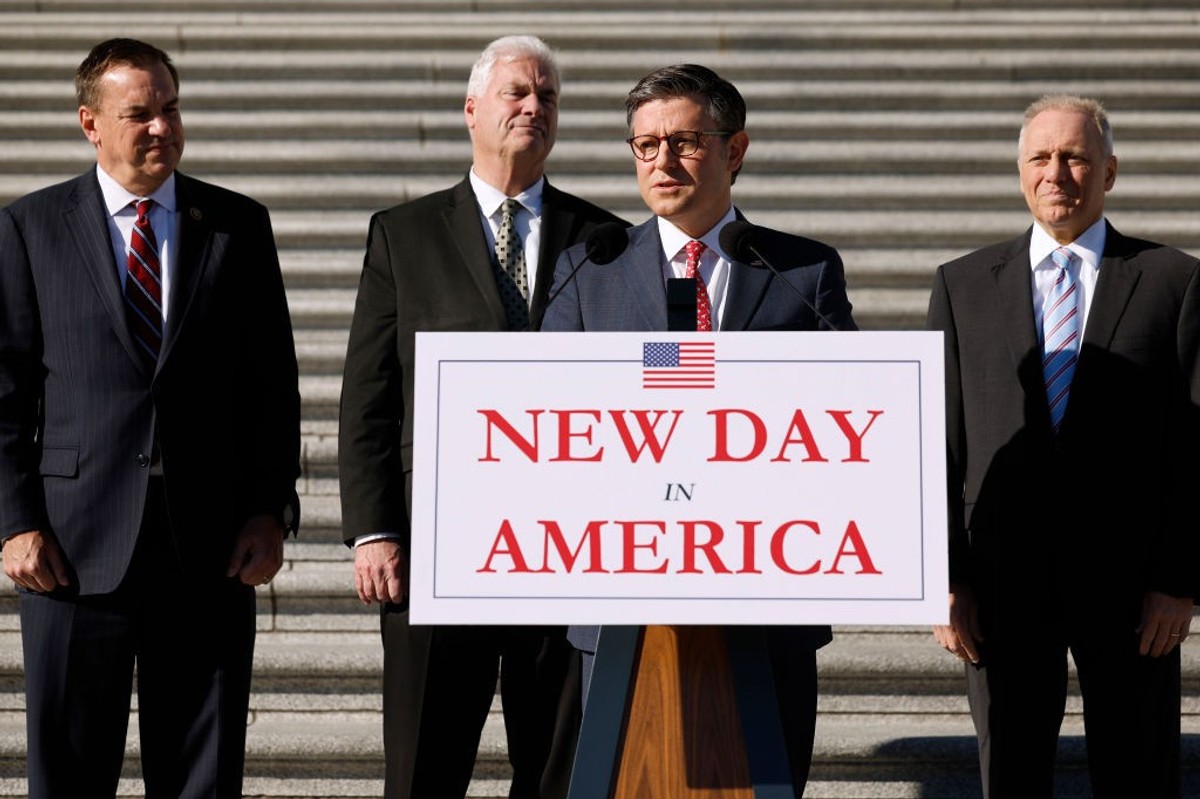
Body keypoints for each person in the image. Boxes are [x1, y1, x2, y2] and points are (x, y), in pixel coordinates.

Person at [541, 62, 857, 798]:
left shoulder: (802, 271)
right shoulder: (589, 269)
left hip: (769, 594)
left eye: (684, 142)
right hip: (622, 596)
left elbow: (847, 420)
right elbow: (550, 422)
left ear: (734, 150)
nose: (662, 161)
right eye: (645, 145)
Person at [0, 37, 301, 798]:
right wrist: (14, 522)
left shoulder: (236, 225)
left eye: (171, 108)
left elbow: (271, 386)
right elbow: (5, 395)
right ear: (90, 124)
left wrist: (269, 510)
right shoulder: (31, 228)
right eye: (139, 114)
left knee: (202, 778)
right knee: (68, 777)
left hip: (207, 545)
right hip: (71, 548)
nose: (162, 127)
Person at [338, 34, 628, 799]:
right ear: (472, 109)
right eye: (517, 92)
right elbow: (369, 395)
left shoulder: (605, 238)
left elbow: (638, 373)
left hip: (566, 550)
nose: (535, 106)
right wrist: (374, 529)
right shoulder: (404, 233)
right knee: (423, 768)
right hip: (437, 547)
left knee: (560, 772)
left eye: (549, 96)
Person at [927, 94, 1200, 798]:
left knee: (1139, 774)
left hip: (1133, 585)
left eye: (1075, 157)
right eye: (1040, 157)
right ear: (1020, 170)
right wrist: (944, 578)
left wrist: (1179, 582)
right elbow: (940, 443)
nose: (1057, 173)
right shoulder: (961, 284)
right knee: (1011, 773)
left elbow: (1194, 442)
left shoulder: (1175, 281)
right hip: (999, 581)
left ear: (1109, 171)